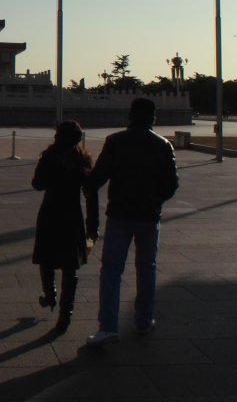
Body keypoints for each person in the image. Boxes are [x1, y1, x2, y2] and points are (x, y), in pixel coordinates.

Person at [86, 98, 179, 347]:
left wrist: (81, 174)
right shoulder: (164, 145)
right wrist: (156, 200)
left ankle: (108, 327)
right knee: (147, 267)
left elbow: (97, 178)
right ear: (153, 118)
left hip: (120, 214)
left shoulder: (115, 142)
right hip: (149, 215)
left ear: (130, 115)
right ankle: (144, 320)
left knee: (112, 271)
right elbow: (172, 184)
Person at [32, 120, 99, 333]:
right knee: (71, 268)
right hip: (72, 216)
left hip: (51, 213)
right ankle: (65, 314)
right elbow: (91, 194)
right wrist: (93, 224)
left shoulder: (50, 157)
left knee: (47, 258)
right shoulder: (82, 160)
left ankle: (50, 296)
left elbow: (37, 184)